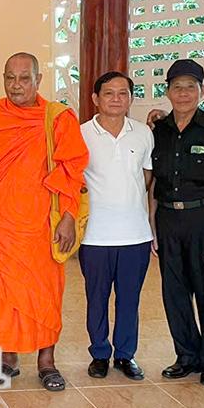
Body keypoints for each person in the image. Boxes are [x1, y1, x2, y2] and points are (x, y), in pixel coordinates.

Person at [0, 52, 88, 392]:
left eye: (24, 78)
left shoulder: (57, 118)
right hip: (0, 228)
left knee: (45, 295)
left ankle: (47, 362)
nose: (16, 85)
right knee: (4, 295)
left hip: (42, 228)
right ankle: (7, 360)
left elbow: (71, 170)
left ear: (38, 80)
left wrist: (67, 217)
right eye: (10, 78)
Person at [150, 59, 204, 387]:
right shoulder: (158, 130)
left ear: (202, 90)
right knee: (174, 291)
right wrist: (153, 224)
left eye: (190, 87)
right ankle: (186, 355)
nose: (183, 93)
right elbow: (154, 183)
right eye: (177, 87)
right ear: (167, 91)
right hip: (169, 218)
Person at [78, 72, 153, 381]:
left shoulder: (144, 133)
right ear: (95, 99)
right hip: (95, 235)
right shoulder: (80, 133)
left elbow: (147, 177)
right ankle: (99, 354)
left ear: (130, 99)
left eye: (123, 93)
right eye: (109, 93)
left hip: (135, 234)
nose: (116, 99)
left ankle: (125, 355)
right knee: (96, 299)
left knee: (129, 299)